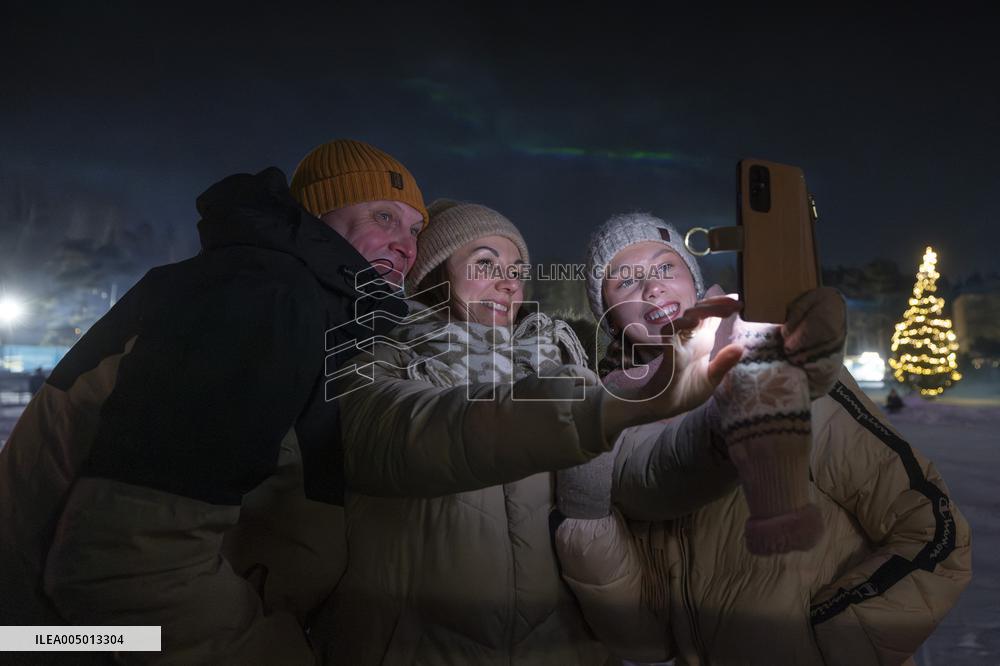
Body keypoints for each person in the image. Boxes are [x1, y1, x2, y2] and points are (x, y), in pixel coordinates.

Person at [0, 139, 427, 664]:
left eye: (415, 230)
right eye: (384, 215)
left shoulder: (313, 308)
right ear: (317, 211)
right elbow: (127, 565)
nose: (406, 245)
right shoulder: (258, 295)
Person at [309, 200, 744, 664]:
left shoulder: (561, 365)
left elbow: (640, 473)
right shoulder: (377, 358)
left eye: (516, 268)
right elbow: (408, 434)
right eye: (485, 263)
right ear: (436, 273)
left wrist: (728, 424)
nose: (508, 280)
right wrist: (591, 410)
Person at [553, 212, 972, 665]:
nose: (652, 289)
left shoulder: (777, 359)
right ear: (608, 314)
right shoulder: (611, 421)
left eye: (664, 267)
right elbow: (648, 637)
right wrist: (586, 520)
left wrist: (829, 642)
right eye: (625, 282)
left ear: (692, 278)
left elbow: (933, 531)